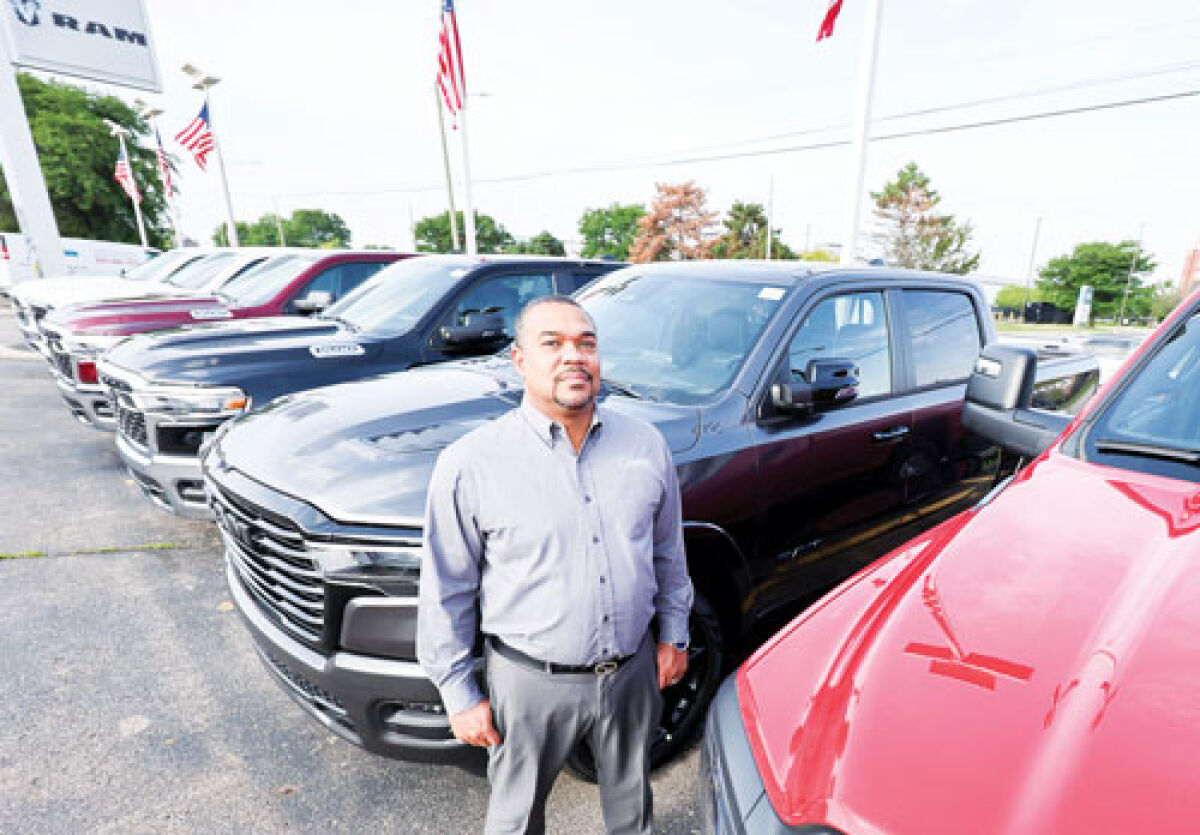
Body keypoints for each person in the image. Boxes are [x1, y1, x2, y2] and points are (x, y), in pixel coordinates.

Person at [418, 295, 694, 834]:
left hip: (632, 672)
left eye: (586, 344)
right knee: (516, 819)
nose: (575, 356)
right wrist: (458, 692)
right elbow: (447, 589)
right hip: (529, 683)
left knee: (632, 808)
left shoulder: (645, 445)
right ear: (520, 361)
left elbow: (667, 551)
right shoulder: (471, 463)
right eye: (554, 343)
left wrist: (674, 634)